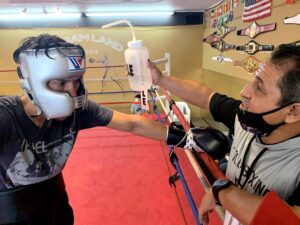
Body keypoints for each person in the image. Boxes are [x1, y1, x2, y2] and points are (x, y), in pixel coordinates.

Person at [0, 34, 169, 225]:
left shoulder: (79, 111)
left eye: (77, 80)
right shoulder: (5, 117)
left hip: (57, 205)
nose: (72, 92)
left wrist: (185, 139)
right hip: (11, 216)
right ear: (34, 81)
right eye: (61, 83)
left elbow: (134, 123)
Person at [148, 43, 300, 225]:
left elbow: (290, 219)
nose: (244, 92)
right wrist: (161, 80)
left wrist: (221, 191)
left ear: (293, 111)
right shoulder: (246, 116)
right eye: (253, 80)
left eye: (259, 88)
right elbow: (207, 97)